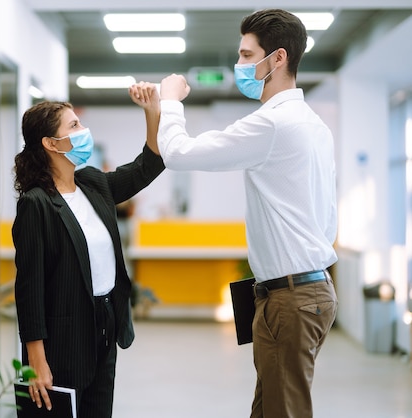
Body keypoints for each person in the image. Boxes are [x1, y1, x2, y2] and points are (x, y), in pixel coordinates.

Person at [132, 8, 338, 418]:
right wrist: (155, 113)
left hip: (290, 298)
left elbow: (179, 153)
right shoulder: (311, 125)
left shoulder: (274, 124)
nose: (239, 65)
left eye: (246, 56)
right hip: (299, 291)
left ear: (277, 58)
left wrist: (171, 100)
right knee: (268, 410)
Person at [12, 85, 164, 418]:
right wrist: (36, 361)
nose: (83, 132)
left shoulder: (93, 183)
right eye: (74, 126)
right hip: (62, 334)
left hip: (105, 321)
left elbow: (145, 167)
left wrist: (152, 112)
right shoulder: (36, 204)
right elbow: (29, 289)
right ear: (52, 144)